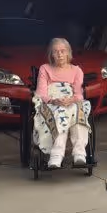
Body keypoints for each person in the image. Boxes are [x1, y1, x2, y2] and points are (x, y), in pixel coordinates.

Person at [34, 38, 92, 168]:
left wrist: (70, 100)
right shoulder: (45, 68)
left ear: (68, 53)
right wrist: (54, 100)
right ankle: (56, 155)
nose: (59, 54)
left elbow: (78, 94)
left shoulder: (77, 70)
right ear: (51, 54)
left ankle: (79, 154)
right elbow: (41, 93)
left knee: (77, 112)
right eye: (55, 51)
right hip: (51, 101)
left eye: (62, 51)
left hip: (72, 100)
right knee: (62, 113)